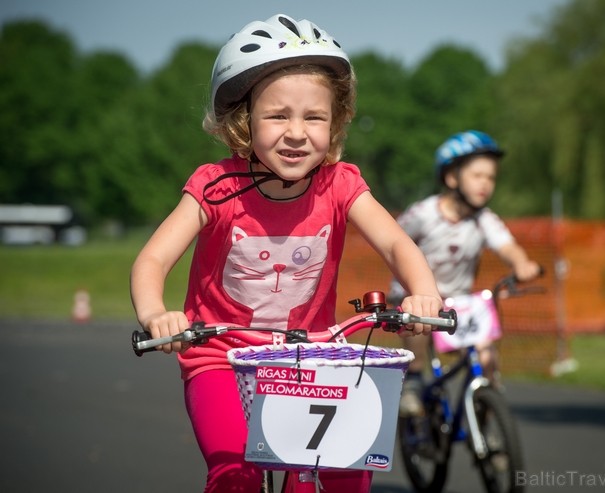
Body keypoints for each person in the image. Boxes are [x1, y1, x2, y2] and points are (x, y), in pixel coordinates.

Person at [129, 14, 443, 493]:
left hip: (308, 356)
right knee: (236, 473)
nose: (296, 132)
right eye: (278, 115)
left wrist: (424, 294)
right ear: (243, 120)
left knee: (345, 468)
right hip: (219, 358)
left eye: (314, 117)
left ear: (334, 124)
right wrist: (157, 314)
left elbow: (396, 241)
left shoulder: (340, 184)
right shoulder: (216, 187)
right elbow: (152, 260)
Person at [389, 130, 541, 417]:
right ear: (451, 178)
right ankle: (413, 381)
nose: (486, 184)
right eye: (477, 175)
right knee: (420, 328)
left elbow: (508, 246)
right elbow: (393, 242)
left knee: (485, 356)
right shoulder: (424, 214)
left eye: (491, 177)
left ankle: (488, 408)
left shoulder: (483, 220)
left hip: (458, 303)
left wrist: (521, 263)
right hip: (415, 298)